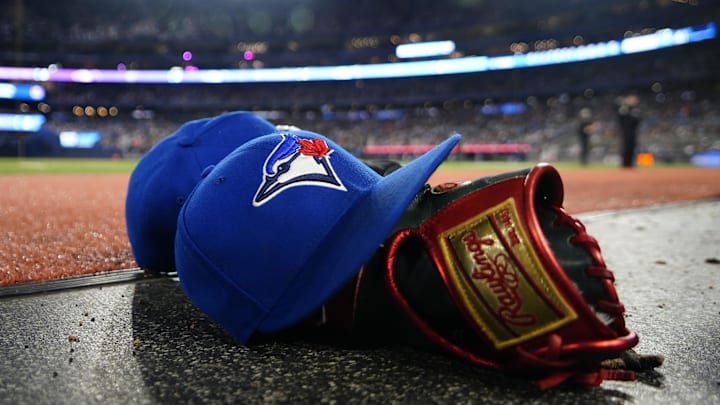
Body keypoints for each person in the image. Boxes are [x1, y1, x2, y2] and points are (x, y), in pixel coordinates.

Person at [616, 94, 642, 168]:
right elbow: (620, 118)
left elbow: (638, 120)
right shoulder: (624, 108)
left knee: (632, 147)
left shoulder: (636, 109)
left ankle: (630, 164)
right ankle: (625, 164)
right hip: (625, 131)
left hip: (633, 131)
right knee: (626, 147)